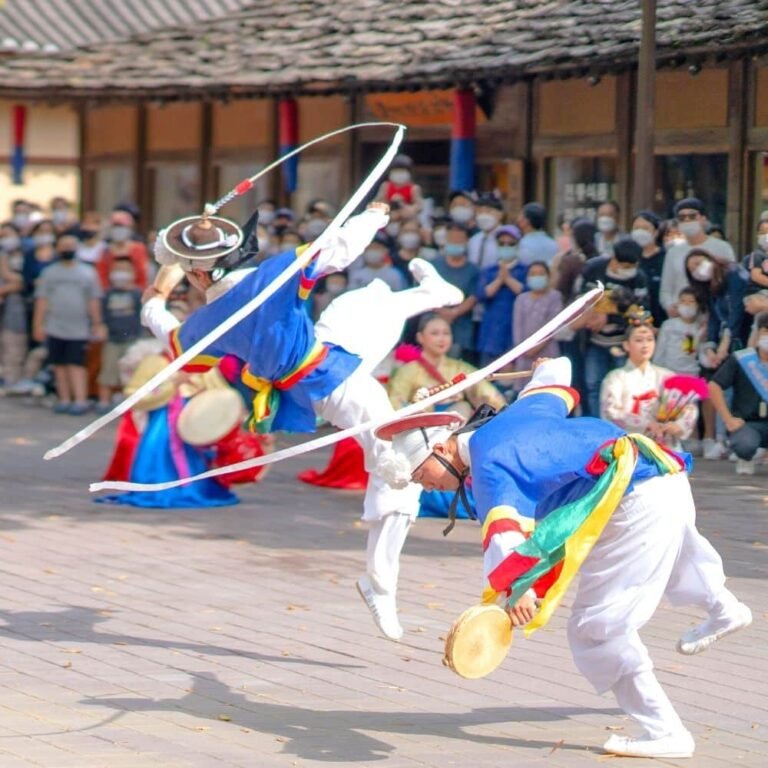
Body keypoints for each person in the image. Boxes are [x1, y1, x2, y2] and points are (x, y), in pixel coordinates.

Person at [376, 356, 751, 759]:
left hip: (633, 500)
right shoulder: (517, 412)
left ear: (441, 447)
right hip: (662, 475)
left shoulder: (488, 464)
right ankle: (724, 608)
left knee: (596, 628)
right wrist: (544, 364)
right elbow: (559, 370)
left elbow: (504, 535)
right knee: (673, 555)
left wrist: (516, 589)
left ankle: (665, 731)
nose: (426, 486)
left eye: (420, 476)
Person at [141, 202, 464, 642]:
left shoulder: (206, 323)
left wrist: (154, 302)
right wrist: (374, 215)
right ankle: (379, 582)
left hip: (330, 355)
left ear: (197, 276)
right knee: (400, 469)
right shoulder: (271, 273)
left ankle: (438, 295)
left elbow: (169, 334)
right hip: (331, 383)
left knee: (361, 309)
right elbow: (339, 247)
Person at [601, 309, 697, 451]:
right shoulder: (615, 378)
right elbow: (611, 412)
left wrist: (678, 425)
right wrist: (645, 423)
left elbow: (688, 407)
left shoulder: (667, 376)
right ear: (627, 345)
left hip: (664, 443)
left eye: (649, 339)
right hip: (629, 445)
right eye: (639, 340)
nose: (645, 345)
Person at [685, 248, 748, 459]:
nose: (698, 268)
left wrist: (725, 343)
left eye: (699, 261)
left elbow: (738, 310)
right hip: (724, 344)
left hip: (742, 340)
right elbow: (714, 317)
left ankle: (734, 440)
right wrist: (711, 345)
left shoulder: (733, 273)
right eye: (692, 268)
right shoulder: (709, 288)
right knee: (722, 389)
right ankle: (723, 439)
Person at [32, 234, 106, 414]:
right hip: (55, 326)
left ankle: (80, 400)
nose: (67, 249)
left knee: (76, 364)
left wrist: (97, 323)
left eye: (71, 245)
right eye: (64, 245)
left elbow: (93, 300)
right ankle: (64, 399)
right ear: (58, 248)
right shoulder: (49, 272)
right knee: (59, 364)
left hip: (79, 328)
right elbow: (42, 300)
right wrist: (38, 325)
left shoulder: (88, 272)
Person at [579, 237, 650, 416]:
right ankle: (595, 423)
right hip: (594, 340)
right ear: (614, 260)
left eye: (632, 266)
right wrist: (592, 315)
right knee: (593, 384)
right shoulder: (594, 270)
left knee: (621, 386)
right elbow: (581, 299)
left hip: (622, 342)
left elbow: (642, 312)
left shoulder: (639, 279)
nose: (629, 271)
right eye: (625, 266)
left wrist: (610, 315)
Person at [387, 313, 505, 420]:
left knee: (463, 407)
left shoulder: (460, 368)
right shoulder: (407, 371)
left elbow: (487, 394)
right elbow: (396, 403)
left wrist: (503, 411)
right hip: (421, 425)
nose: (441, 339)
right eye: (435, 333)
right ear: (420, 337)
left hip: (456, 422)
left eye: (446, 333)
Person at [708, 312, 768, 475]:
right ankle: (745, 457)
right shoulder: (743, 359)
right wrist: (727, 419)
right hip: (747, 423)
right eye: (765, 332)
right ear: (759, 333)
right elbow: (714, 386)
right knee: (745, 444)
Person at [659, 198, 735, 316]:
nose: (687, 220)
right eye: (682, 217)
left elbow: (731, 283)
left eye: (692, 216)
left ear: (703, 219)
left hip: (712, 314)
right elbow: (666, 289)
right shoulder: (673, 252)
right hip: (681, 316)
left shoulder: (722, 247)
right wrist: (669, 306)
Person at [96, 257, 144, 413]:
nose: (120, 274)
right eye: (117, 269)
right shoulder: (107, 293)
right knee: (108, 371)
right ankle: (104, 402)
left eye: (125, 270)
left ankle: (129, 404)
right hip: (112, 339)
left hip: (133, 339)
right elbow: (102, 314)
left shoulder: (137, 294)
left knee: (131, 372)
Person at [475, 225, 526, 366]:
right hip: (491, 332)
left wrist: (508, 279)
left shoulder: (525, 270)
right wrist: (499, 280)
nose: (506, 246)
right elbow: (481, 294)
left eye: (511, 244)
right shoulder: (489, 271)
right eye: (501, 243)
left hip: (515, 331)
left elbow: (526, 293)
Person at [433, 223, 479, 360]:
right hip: (434, 321)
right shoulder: (435, 265)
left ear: (466, 242)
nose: (455, 243)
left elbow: (473, 297)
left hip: (461, 328)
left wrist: (454, 313)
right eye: (452, 240)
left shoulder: (473, 270)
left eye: (459, 241)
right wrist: (441, 311)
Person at [512, 261, 563, 376]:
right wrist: (523, 349)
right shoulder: (521, 299)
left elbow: (554, 325)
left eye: (541, 274)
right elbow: (517, 327)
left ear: (548, 277)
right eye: (533, 274)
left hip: (548, 350)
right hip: (523, 353)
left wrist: (535, 347)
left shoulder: (555, 297)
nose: (537, 277)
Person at [97, 206, 150, 290]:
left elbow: (143, 275)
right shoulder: (105, 251)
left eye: (121, 226)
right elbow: (101, 276)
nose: (118, 230)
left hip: (134, 293)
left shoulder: (139, 249)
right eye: (115, 226)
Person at [654, 288, 704, 376]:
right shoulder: (668, 325)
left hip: (691, 374)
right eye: (683, 301)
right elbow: (660, 351)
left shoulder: (699, 328)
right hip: (669, 372)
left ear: (698, 305)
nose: (686, 304)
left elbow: (697, 352)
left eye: (691, 301)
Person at [631, 210, 667, 326]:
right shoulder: (629, 258)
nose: (640, 232)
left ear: (656, 232)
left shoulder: (666, 258)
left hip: (661, 322)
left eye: (645, 228)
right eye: (636, 228)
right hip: (633, 322)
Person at [467, 194, 503, 270]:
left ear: (500, 214)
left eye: (488, 211)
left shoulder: (507, 240)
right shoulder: (473, 240)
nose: (483, 215)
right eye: (479, 211)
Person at [517, 202, 558, 267]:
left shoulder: (521, 245)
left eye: (520, 215)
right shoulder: (553, 244)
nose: (518, 218)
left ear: (526, 221)